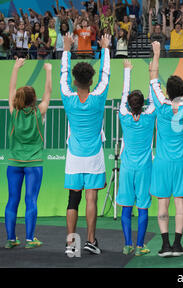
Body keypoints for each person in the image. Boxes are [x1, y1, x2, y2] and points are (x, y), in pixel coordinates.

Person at [61, 33, 111, 257]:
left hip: (74, 156)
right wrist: (105, 48)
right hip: (94, 156)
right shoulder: (98, 96)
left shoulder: (67, 97)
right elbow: (106, 75)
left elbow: (63, 74)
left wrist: (66, 49)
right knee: (91, 197)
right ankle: (90, 241)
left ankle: (71, 244)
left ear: (74, 80)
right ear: (91, 82)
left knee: (73, 198)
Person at [149, 39, 183, 257]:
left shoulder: (160, 103)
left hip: (161, 162)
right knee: (180, 203)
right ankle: (178, 245)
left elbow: (152, 77)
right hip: (181, 163)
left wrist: (157, 53)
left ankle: (165, 245)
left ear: (167, 90)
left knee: (162, 205)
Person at [5, 58, 52, 249]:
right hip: (34, 163)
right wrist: (48, 71)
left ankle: (10, 239)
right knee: (30, 200)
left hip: (14, 163)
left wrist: (15, 68)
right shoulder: (39, 111)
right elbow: (48, 92)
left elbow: (11, 89)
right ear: (34, 100)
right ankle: (30, 239)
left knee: (12, 200)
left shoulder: (13, 111)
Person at [117, 59, 156, 256]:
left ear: (130, 105)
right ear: (143, 104)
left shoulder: (123, 114)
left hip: (126, 168)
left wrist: (127, 72)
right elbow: (153, 97)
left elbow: (124, 96)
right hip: (144, 169)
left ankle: (127, 244)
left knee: (126, 207)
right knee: (142, 207)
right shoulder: (150, 115)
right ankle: (140, 246)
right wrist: (151, 74)